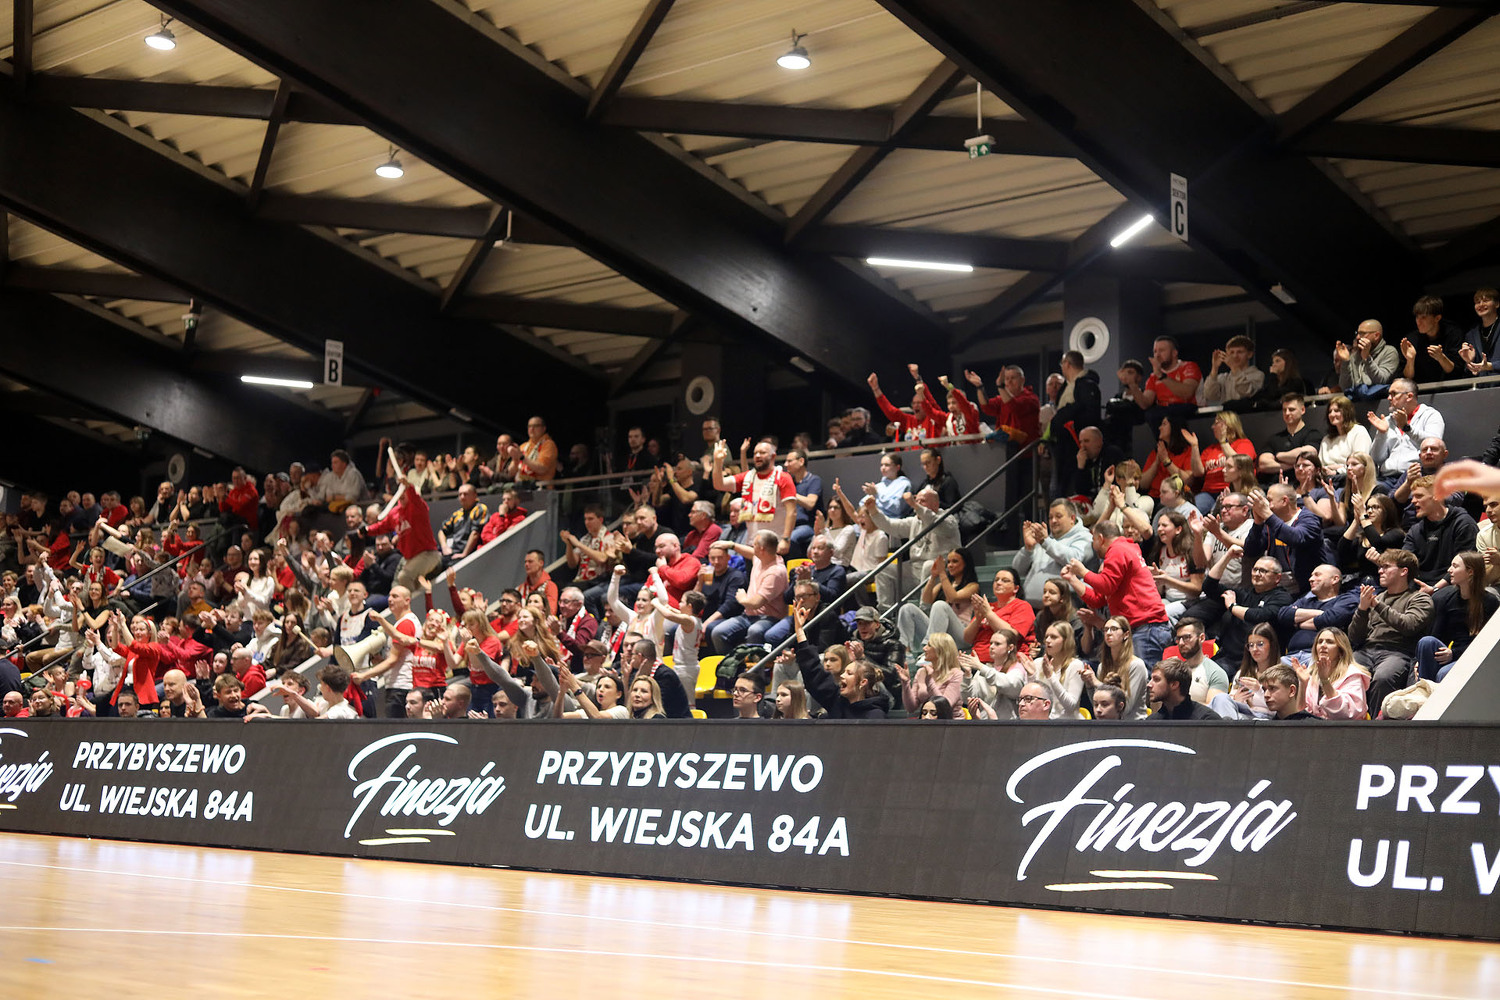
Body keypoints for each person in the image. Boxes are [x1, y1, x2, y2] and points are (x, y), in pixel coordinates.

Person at [1063, 520, 1171, 669]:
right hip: (1142, 627)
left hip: (1146, 626)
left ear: (1100, 538)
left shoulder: (1118, 550)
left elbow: (1105, 586)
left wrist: (1083, 571)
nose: (1093, 546)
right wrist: (1072, 579)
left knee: (1147, 679)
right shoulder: (1124, 549)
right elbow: (1097, 599)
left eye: (1093, 540)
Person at [1350, 549, 1433, 713]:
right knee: (1343, 673)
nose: (1380, 571)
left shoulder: (1419, 598)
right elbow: (1354, 637)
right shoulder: (1376, 598)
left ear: (1404, 571)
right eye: (1380, 567)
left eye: (1386, 567)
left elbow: (1409, 626)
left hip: (1397, 652)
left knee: (1383, 677)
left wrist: (1377, 606)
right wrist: (1362, 610)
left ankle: (1378, 724)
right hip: (1366, 650)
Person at [360, 456, 442, 591]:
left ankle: (410, 603)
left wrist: (408, 486)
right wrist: (367, 530)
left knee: (404, 577)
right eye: (401, 491)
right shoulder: (395, 513)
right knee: (411, 585)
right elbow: (382, 526)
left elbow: (416, 499)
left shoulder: (418, 508)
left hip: (428, 554)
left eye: (406, 492)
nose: (403, 494)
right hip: (410, 557)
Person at [792, 605, 888, 719]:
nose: (842, 675)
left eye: (849, 673)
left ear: (863, 682)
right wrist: (799, 631)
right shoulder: (837, 702)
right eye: (844, 672)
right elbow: (814, 675)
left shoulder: (875, 715)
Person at [1416, 552, 1497, 683]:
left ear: (1470, 572)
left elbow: (1486, 643)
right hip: (1450, 654)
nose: (1449, 570)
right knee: (1426, 642)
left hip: (1474, 657)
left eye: (1455, 566)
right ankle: (1424, 689)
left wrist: (1454, 653)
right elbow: (1436, 635)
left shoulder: (1490, 602)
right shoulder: (1445, 598)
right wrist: (1420, 661)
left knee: (1444, 673)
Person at [711, 439, 797, 547]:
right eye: (755, 453)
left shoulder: (783, 477)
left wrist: (786, 539)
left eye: (762, 453)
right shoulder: (747, 477)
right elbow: (719, 485)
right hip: (752, 544)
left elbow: (792, 511)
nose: (757, 456)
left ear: (773, 456)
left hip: (776, 544)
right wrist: (718, 462)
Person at [1402, 476, 1478, 586]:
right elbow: (1404, 561)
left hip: (1453, 586)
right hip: (1420, 587)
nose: (1413, 501)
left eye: (1419, 496)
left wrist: (1434, 589)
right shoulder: (1415, 530)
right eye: (1413, 496)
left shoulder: (1463, 523)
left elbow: (1465, 565)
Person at [1368, 379, 1444, 488]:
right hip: (1387, 478)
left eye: (1394, 394)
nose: (1389, 398)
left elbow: (1434, 444)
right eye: (1389, 394)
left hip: (1416, 476)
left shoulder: (1430, 415)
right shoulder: (1387, 421)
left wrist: (1407, 428)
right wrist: (1381, 434)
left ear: (1409, 396)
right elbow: (1376, 458)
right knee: (1372, 491)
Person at [1014, 499, 1093, 603]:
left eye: (1058, 516)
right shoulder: (1045, 540)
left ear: (1072, 518)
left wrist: (1046, 542)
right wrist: (1028, 549)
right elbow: (1017, 571)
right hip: (1032, 607)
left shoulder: (1084, 537)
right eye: (1050, 517)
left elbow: (1074, 560)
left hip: (1065, 607)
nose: (1053, 521)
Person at [1276, 563, 1358, 659]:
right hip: (1291, 656)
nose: (1310, 579)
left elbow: (1331, 619)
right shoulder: (1305, 601)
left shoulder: (1346, 599)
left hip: (1321, 656)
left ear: (1334, 579)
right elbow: (1283, 614)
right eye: (1311, 576)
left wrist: (1299, 623)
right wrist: (1322, 613)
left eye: (1317, 575)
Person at [1296, 627, 1372, 719]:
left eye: (1329, 642)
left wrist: (1325, 681)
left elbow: (1346, 714)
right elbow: (1300, 714)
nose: (1323, 645)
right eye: (1320, 642)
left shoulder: (1352, 675)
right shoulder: (1312, 675)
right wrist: (1303, 684)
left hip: (1344, 727)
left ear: (1341, 651)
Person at [1194, 411, 1256, 513]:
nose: (1212, 427)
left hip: (1231, 489)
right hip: (1208, 492)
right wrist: (1194, 446)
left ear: (1228, 425)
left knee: (1218, 512)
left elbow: (1241, 463)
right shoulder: (1211, 449)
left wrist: (1223, 441)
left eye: (1216, 423)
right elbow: (1198, 472)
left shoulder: (1244, 443)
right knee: (1193, 510)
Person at [1400, 295, 1467, 385]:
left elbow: (1456, 371)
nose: (1418, 322)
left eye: (1423, 317)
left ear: (1437, 318)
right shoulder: (1412, 339)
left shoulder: (1453, 334)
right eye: (1417, 317)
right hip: (1421, 390)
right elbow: (1407, 379)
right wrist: (1410, 360)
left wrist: (1441, 358)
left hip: (1450, 388)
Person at [1093, 614, 1147, 719]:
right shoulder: (1102, 667)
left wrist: (1097, 683)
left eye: (1114, 629)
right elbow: (1099, 708)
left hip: (1134, 724)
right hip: (1108, 723)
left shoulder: (1136, 665)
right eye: (1106, 630)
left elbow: (1125, 709)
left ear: (1126, 635)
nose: (1108, 633)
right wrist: (1089, 684)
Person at [1130, 336, 1202, 415]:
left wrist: (1161, 376)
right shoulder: (1154, 376)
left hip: (1191, 414)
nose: (1157, 355)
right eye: (1155, 351)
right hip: (1164, 414)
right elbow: (1145, 404)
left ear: (1174, 353)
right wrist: (1132, 384)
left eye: (1161, 350)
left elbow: (1187, 393)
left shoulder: (1189, 366)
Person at [1258, 394, 1321, 478]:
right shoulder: (1275, 438)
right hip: (1276, 483)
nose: (1287, 413)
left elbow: (1308, 455)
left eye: (1291, 409)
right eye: (1284, 410)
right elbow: (1263, 464)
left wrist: (1278, 456)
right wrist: (1293, 464)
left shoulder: (1312, 434)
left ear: (1302, 410)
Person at [1335, 319, 1401, 399]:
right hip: (1358, 403)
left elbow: (1381, 381)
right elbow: (1345, 387)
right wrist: (1346, 361)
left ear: (1376, 336)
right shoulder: (1355, 356)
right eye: (1357, 333)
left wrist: (1367, 358)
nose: (1357, 337)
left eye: (1362, 333)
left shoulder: (1389, 352)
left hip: (1382, 402)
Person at [1145, 658, 1221, 720]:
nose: (1149, 684)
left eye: (1156, 679)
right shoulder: (1151, 721)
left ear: (1174, 684)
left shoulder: (1207, 720)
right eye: (1151, 679)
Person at [1140, 415, 1197, 500]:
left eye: (1164, 424)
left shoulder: (1187, 451)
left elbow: (1187, 481)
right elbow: (1143, 484)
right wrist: (1157, 462)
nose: (1160, 428)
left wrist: (1166, 461)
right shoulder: (1158, 451)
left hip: (1175, 498)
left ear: (1174, 427)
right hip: (1153, 497)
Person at [1198, 334, 1264, 405]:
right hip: (1227, 412)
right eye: (1232, 352)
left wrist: (1234, 367)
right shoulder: (1223, 378)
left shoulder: (1258, 375)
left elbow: (1247, 393)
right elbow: (1209, 395)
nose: (1235, 356)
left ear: (1250, 354)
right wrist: (1215, 368)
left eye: (1240, 352)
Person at [1318, 395, 1372, 481]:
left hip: (1350, 479)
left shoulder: (1359, 432)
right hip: (1327, 479)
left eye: (1336, 411)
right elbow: (1320, 465)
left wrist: (1337, 471)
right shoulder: (1326, 439)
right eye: (1330, 411)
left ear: (1347, 412)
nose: (1332, 414)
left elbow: (1360, 463)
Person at [1458, 287, 1500, 373]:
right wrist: (1469, 361)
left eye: (1485, 301)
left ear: (1497, 304)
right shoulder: (1471, 334)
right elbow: (1470, 371)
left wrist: (1491, 366)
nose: (1481, 304)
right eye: (1477, 302)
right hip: (1482, 381)